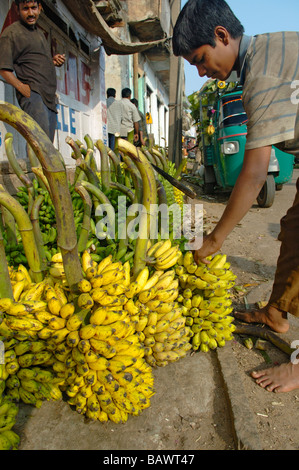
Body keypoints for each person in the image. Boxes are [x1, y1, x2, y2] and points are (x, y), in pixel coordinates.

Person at [172, 0, 299, 393]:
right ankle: (277, 314)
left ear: (222, 36)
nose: (201, 71)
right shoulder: (272, 48)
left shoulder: (260, 74)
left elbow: (255, 170)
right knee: (294, 227)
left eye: (200, 58)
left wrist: (215, 239)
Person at [0, 0, 65, 142]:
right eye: (25, 9)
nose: (31, 13)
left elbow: (34, 60)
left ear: (40, 8)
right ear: (17, 10)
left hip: (48, 97)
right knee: (38, 145)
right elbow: (3, 69)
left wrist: (53, 61)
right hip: (34, 95)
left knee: (47, 148)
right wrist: (22, 88)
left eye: (34, 8)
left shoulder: (39, 33)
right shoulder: (11, 33)